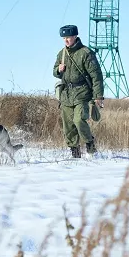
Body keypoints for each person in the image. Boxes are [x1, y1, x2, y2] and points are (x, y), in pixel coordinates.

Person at [53, 24, 104, 158]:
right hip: (66, 94)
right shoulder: (61, 54)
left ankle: (89, 143)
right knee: (68, 126)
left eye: (68, 37)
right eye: (64, 38)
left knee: (79, 120)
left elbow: (96, 75)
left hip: (82, 93)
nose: (66, 40)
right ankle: (75, 153)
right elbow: (55, 72)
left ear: (75, 36)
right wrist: (59, 69)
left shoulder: (86, 53)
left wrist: (98, 96)